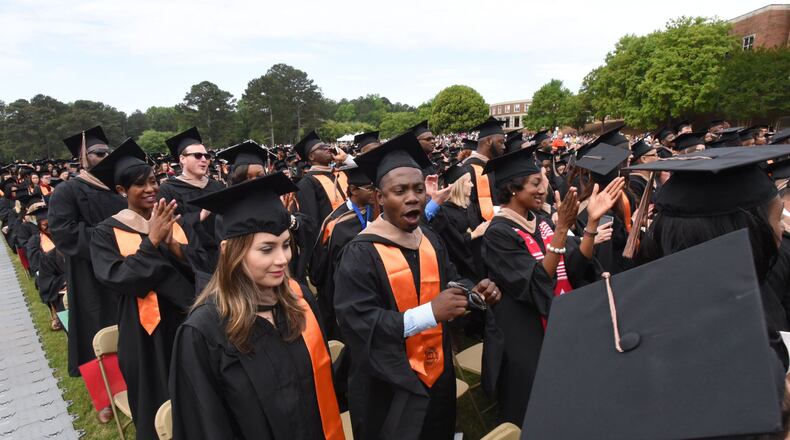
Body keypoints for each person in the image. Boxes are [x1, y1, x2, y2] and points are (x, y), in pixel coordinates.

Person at [334, 132, 501, 439]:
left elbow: (450, 278)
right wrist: (429, 314)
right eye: (400, 191)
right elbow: (357, 322)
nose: (413, 197)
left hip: (437, 374)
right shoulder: (360, 254)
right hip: (387, 385)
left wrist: (472, 292)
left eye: (417, 188)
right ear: (380, 198)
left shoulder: (429, 239)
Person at [170, 172, 344, 440]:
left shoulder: (300, 300)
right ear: (229, 251)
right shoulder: (204, 332)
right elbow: (206, 427)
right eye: (266, 249)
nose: (282, 259)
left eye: (286, 245)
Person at [480, 146, 624, 426]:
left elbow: (573, 264)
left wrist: (591, 222)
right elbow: (534, 281)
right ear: (512, 189)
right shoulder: (498, 233)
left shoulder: (542, 222)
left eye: (543, 182)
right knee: (536, 403)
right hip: (525, 329)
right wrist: (561, 230)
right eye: (535, 183)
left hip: (558, 318)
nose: (543, 189)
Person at [632, 146, 790, 368]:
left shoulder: (645, 307)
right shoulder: (740, 339)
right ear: (750, 232)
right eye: (776, 218)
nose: (782, 228)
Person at [89, 139, 195, 439]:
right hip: (142, 332)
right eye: (140, 185)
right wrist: (152, 242)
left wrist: (174, 246)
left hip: (183, 319)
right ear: (123, 191)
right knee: (154, 398)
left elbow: (196, 269)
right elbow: (118, 277)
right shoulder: (105, 232)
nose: (150, 189)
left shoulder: (166, 221)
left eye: (153, 181)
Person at [48, 126, 127, 390]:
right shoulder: (66, 192)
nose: (105, 156)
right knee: (95, 328)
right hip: (89, 274)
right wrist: (111, 237)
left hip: (125, 269)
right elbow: (65, 234)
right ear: (82, 158)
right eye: (97, 153)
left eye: (108, 152)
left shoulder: (117, 191)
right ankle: (105, 394)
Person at [310, 165, 375, 339]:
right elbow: (321, 269)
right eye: (369, 188)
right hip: (344, 294)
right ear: (353, 190)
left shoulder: (377, 212)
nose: (374, 192)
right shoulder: (336, 224)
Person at [158, 127, 225, 290]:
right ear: (182, 159)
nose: (204, 159)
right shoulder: (168, 189)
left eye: (206, 156)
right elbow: (166, 226)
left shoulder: (217, 186)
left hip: (222, 256)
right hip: (190, 260)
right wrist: (198, 217)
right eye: (197, 155)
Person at [429, 164, 488, 282]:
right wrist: (474, 234)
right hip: (462, 271)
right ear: (459, 186)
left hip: (480, 264)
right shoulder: (443, 212)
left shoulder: (469, 206)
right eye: (468, 182)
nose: (472, 185)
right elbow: (451, 244)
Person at [294, 130, 350, 246]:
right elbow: (312, 224)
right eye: (322, 147)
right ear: (311, 156)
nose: (328, 148)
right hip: (331, 246)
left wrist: (346, 158)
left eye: (327, 145)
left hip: (354, 235)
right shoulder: (307, 183)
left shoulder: (341, 173)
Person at [25, 202, 66, 331]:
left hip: (67, 273)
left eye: (50, 224)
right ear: (39, 226)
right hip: (47, 275)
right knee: (50, 285)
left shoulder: (63, 235)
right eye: (45, 225)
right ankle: (57, 315)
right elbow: (35, 263)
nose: (49, 228)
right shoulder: (35, 241)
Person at [461, 117, 506, 227]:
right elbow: (468, 209)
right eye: (501, 142)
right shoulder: (469, 169)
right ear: (488, 141)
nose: (504, 146)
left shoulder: (492, 167)